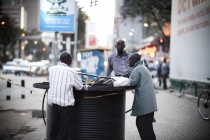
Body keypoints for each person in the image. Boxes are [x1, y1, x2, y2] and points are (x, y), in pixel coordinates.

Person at [107, 53, 157, 140]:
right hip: (149, 103)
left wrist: (114, 83)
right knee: (142, 125)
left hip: (145, 104)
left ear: (133, 61)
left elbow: (131, 82)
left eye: (129, 60)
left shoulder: (137, 69)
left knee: (145, 129)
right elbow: (131, 80)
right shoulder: (142, 68)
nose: (128, 62)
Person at [47, 51, 84, 140]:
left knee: (53, 132)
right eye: (70, 59)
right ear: (69, 60)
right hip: (66, 108)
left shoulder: (51, 69)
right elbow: (79, 86)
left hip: (54, 106)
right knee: (63, 133)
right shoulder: (72, 71)